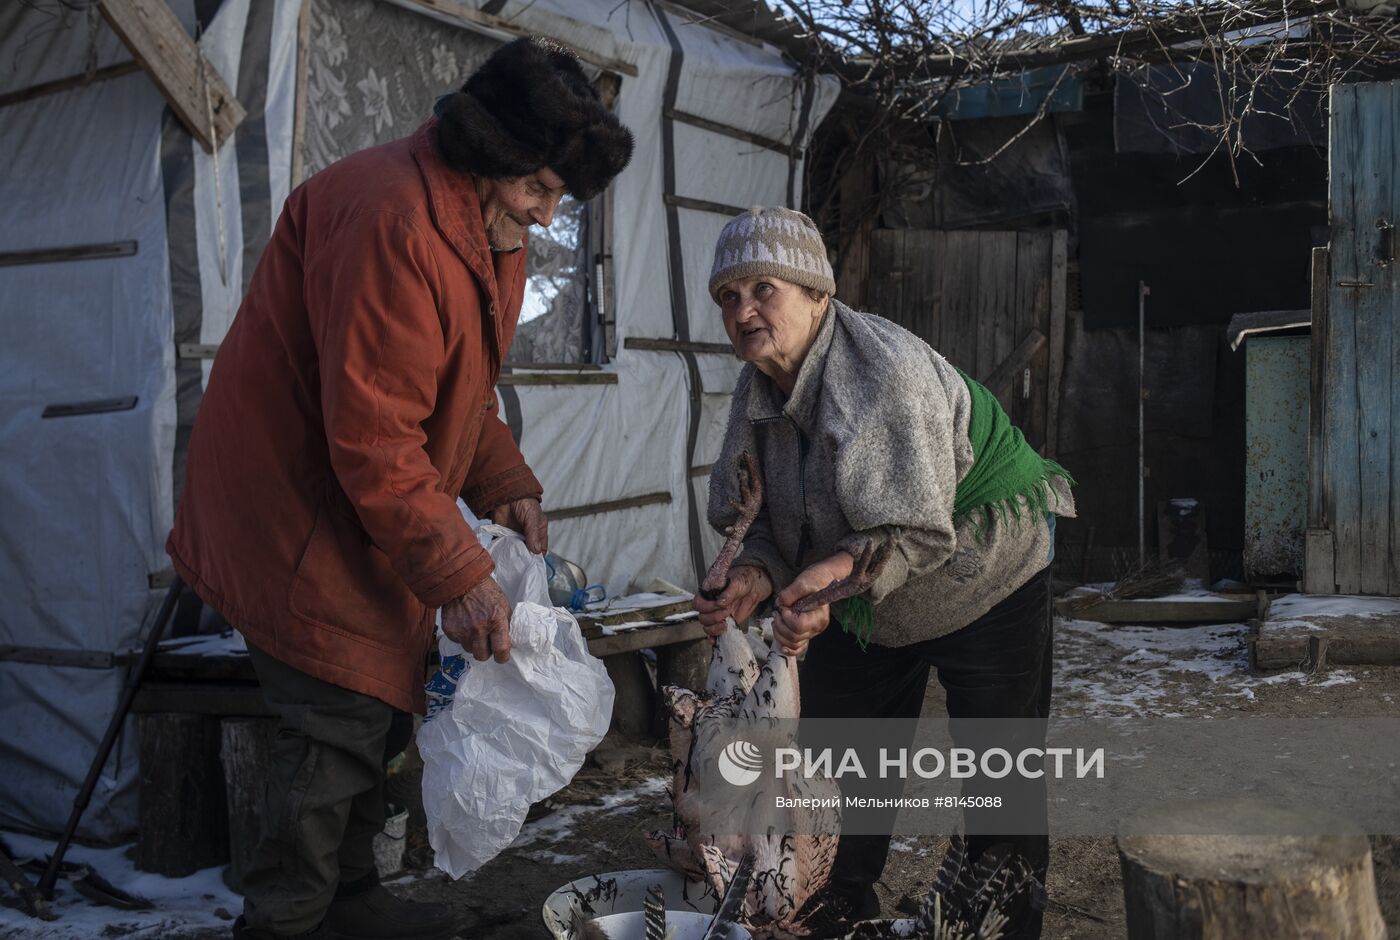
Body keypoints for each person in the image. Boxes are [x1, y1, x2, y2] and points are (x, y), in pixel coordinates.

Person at [166, 38, 632, 940]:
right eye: (539, 189)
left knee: (383, 704)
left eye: (558, 198)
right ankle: (285, 920)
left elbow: (455, 393)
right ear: (492, 157)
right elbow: (377, 437)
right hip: (294, 508)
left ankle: (349, 900)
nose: (545, 215)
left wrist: (504, 480)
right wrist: (460, 576)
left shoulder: (484, 227)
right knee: (332, 715)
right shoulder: (394, 219)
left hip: (358, 501)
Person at [693, 206, 1075, 938]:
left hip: (980, 569)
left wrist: (826, 580)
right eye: (727, 298)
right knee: (837, 780)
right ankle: (836, 915)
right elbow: (768, 526)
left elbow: (913, 530)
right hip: (864, 596)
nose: (742, 312)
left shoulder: (885, 374)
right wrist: (754, 578)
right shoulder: (758, 396)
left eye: (762, 289)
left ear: (817, 294)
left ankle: (1006, 919)